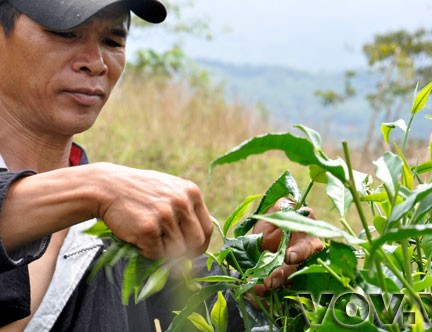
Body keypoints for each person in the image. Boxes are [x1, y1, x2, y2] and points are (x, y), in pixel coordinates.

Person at [0, 0, 323, 331]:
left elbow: (204, 310)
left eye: (112, 41)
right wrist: (95, 188)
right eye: (66, 33)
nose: (96, 64)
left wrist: (259, 274)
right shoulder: (103, 195)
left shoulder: (120, 233)